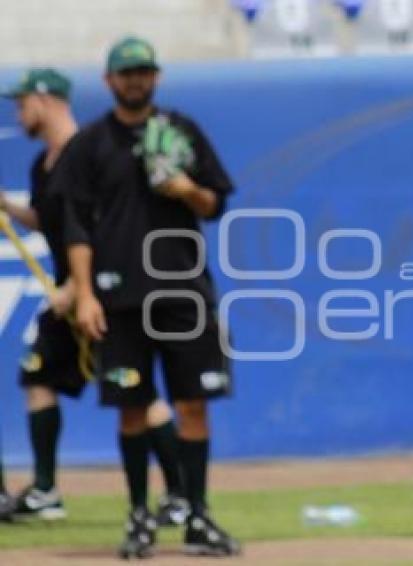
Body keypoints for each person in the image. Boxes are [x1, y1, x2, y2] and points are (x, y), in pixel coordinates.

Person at [58, 36, 240, 558]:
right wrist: (86, 294)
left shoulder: (181, 132)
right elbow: (76, 227)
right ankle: (140, 516)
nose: (135, 79)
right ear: (108, 80)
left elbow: (214, 204)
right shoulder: (91, 144)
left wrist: (185, 190)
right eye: (126, 72)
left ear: (156, 77)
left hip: (183, 292)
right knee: (132, 409)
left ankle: (198, 516)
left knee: (194, 406)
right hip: (120, 298)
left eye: (143, 71)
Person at [0, 68, 189, 525]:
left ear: (45, 101)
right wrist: (8, 206)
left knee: (137, 393)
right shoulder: (41, 164)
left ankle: (180, 495)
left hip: (99, 295)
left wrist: (76, 289)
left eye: (22, 103)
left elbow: (105, 227)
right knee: (38, 376)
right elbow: (53, 222)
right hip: (69, 299)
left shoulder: (85, 153)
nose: (18, 112)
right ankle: (46, 490)